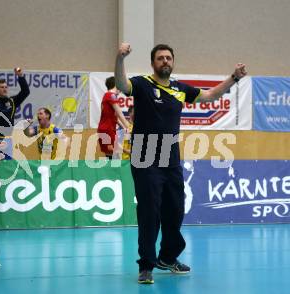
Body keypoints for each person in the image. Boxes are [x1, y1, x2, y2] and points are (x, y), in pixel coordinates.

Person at [115, 43, 247, 284]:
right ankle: (146, 264)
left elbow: (209, 96)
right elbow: (123, 86)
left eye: (168, 58)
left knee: (175, 208)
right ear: (153, 63)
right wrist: (120, 58)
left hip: (170, 155)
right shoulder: (143, 84)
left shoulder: (179, 88)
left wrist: (234, 78)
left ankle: (167, 257)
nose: (164, 61)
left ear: (173, 62)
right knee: (149, 211)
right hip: (145, 155)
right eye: (160, 58)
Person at [97, 76, 130, 159]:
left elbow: (114, 116)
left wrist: (123, 127)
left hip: (104, 129)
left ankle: (109, 170)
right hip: (107, 129)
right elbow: (119, 113)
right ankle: (129, 152)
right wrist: (128, 126)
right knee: (114, 151)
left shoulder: (106, 96)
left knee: (110, 154)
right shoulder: (111, 95)